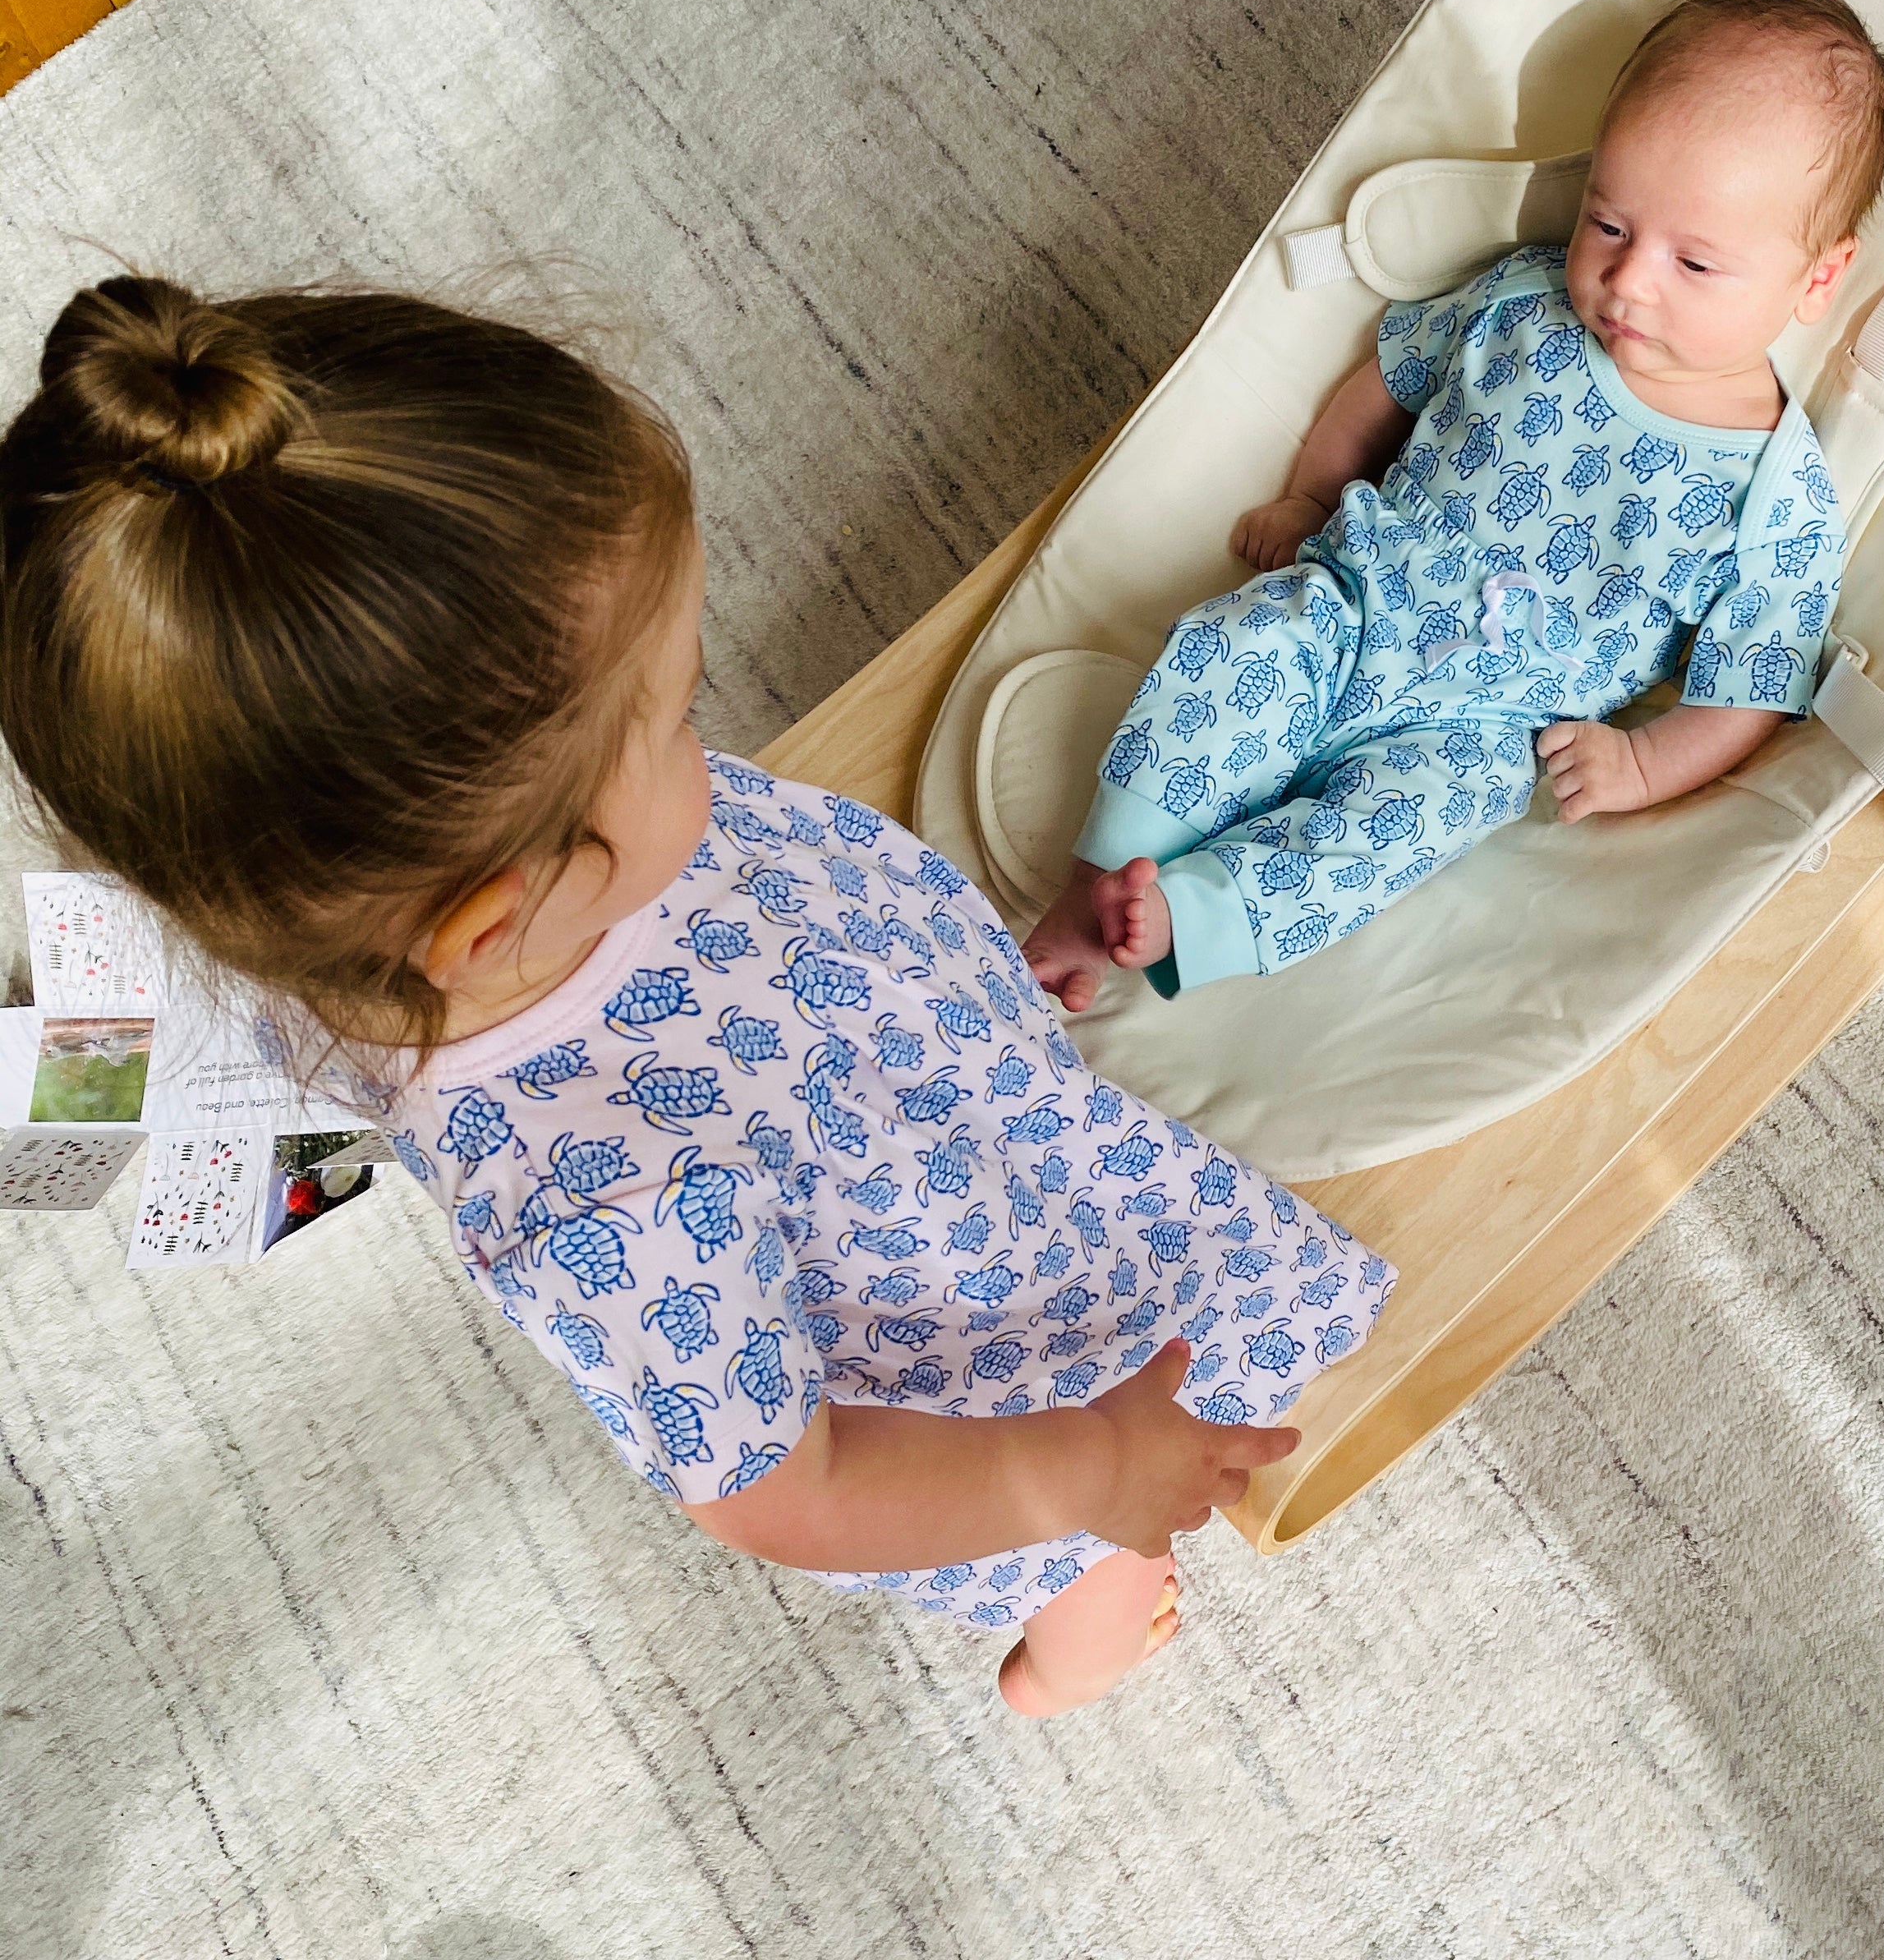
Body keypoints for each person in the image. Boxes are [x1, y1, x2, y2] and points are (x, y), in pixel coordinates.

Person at [0, 275, 1393, 1714]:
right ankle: (1057, 1668)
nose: (700, 728)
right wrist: (1080, 1471)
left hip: (887, 1082)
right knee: (1097, 1577)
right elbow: (786, 1492)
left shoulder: (394, 897)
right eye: (672, 717)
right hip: (977, 1373)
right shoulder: (608, 1213)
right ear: (494, 918)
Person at [1027, 0, 1884, 1009]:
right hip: (1354, 604)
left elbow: (1746, 690)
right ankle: (1099, 880)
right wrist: (1312, 496)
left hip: (1479, 731)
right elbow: (1388, 382)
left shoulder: (1778, 501)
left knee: (1397, 831)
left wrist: (1639, 766)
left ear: (1818, 278)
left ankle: (1194, 915)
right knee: (1234, 648)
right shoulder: (1524, 303)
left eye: (1696, 264)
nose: (1628, 281)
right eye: (1609, 224)